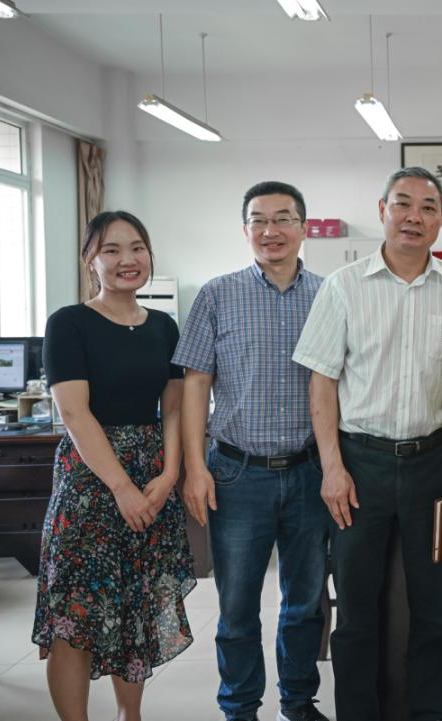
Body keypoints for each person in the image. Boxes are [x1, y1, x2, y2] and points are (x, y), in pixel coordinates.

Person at [293, 165, 442, 721]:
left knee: (435, 608)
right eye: (403, 204)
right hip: (360, 466)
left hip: (436, 463)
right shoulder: (343, 286)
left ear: (441, 219)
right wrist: (332, 468)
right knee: (356, 611)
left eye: (428, 208)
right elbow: (322, 382)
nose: (414, 217)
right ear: (383, 210)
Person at [173, 181, 329, 721]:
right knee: (237, 607)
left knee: (305, 603)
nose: (271, 230)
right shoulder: (217, 294)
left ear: (303, 228)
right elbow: (195, 384)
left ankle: (298, 703)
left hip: (309, 471)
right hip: (237, 473)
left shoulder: (329, 295)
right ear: (245, 231)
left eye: (283, 218)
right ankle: (239, 708)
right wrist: (196, 467)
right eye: (259, 220)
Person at [32, 211, 194, 721]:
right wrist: (122, 487)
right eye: (111, 250)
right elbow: (74, 413)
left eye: (137, 247)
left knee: (135, 608)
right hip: (90, 480)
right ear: (90, 261)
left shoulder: (164, 326)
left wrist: (169, 475)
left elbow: (174, 407)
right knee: (74, 613)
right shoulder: (68, 323)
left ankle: (131, 716)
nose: (128, 259)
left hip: (151, 475)